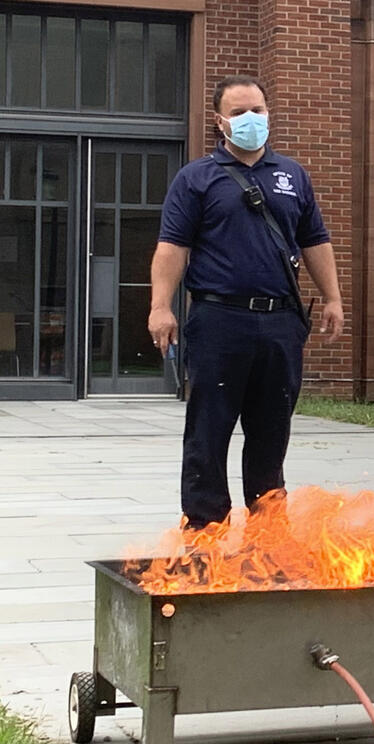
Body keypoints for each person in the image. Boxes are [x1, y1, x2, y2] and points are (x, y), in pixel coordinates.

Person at [148, 75, 345, 530]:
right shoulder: (196, 178)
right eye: (239, 113)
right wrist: (161, 306)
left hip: (280, 323)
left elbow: (315, 240)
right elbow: (172, 247)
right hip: (219, 320)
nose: (251, 119)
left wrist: (333, 297)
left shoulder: (293, 175)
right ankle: (205, 531)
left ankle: (268, 531)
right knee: (208, 432)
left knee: (271, 434)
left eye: (257, 109)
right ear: (220, 122)